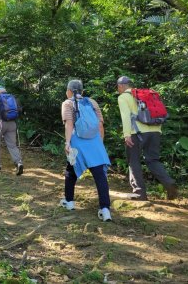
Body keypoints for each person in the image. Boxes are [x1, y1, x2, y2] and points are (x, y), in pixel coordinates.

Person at [117, 76, 177, 200]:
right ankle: (168, 182)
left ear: (121, 86)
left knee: (133, 161)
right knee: (153, 160)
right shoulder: (143, 95)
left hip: (136, 133)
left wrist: (127, 134)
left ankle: (140, 193)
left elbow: (125, 117)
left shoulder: (123, 97)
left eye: (118, 87)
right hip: (155, 131)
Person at [59, 80, 112, 222]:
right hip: (94, 142)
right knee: (100, 176)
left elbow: (69, 124)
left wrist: (68, 142)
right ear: (82, 91)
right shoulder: (92, 102)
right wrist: (99, 144)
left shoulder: (67, 103)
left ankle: (69, 201)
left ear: (69, 91)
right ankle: (105, 209)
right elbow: (100, 125)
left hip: (78, 142)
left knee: (71, 171)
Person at [0, 85, 23, 175]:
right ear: (5, 91)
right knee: (12, 145)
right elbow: (20, 110)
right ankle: (18, 162)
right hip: (12, 123)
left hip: (0, 123)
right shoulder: (13, 97)